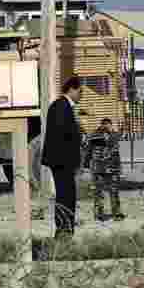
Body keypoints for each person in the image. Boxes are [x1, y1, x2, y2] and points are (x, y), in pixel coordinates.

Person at [41, 76, 84, 238]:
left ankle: (66, 228)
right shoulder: (61, 106)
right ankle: (64, 230)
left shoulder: (62, 106)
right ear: (72, 89)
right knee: (65, 196)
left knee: (67, 195)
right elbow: (62, 135)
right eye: (80, 91)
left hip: (63, 161)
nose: (81, 95)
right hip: (62, 162)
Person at [86, 118, 125, 222]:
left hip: (111, 168)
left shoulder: (113, 135)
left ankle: (115, 213)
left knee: (113, 191)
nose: (107, 126)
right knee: (99, 192)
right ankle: (99, 214)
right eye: (105, 125)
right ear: (102, 125)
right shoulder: (96, 136)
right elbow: (89, 151)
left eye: (108, 125)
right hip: (100, 168)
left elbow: (118, 138)